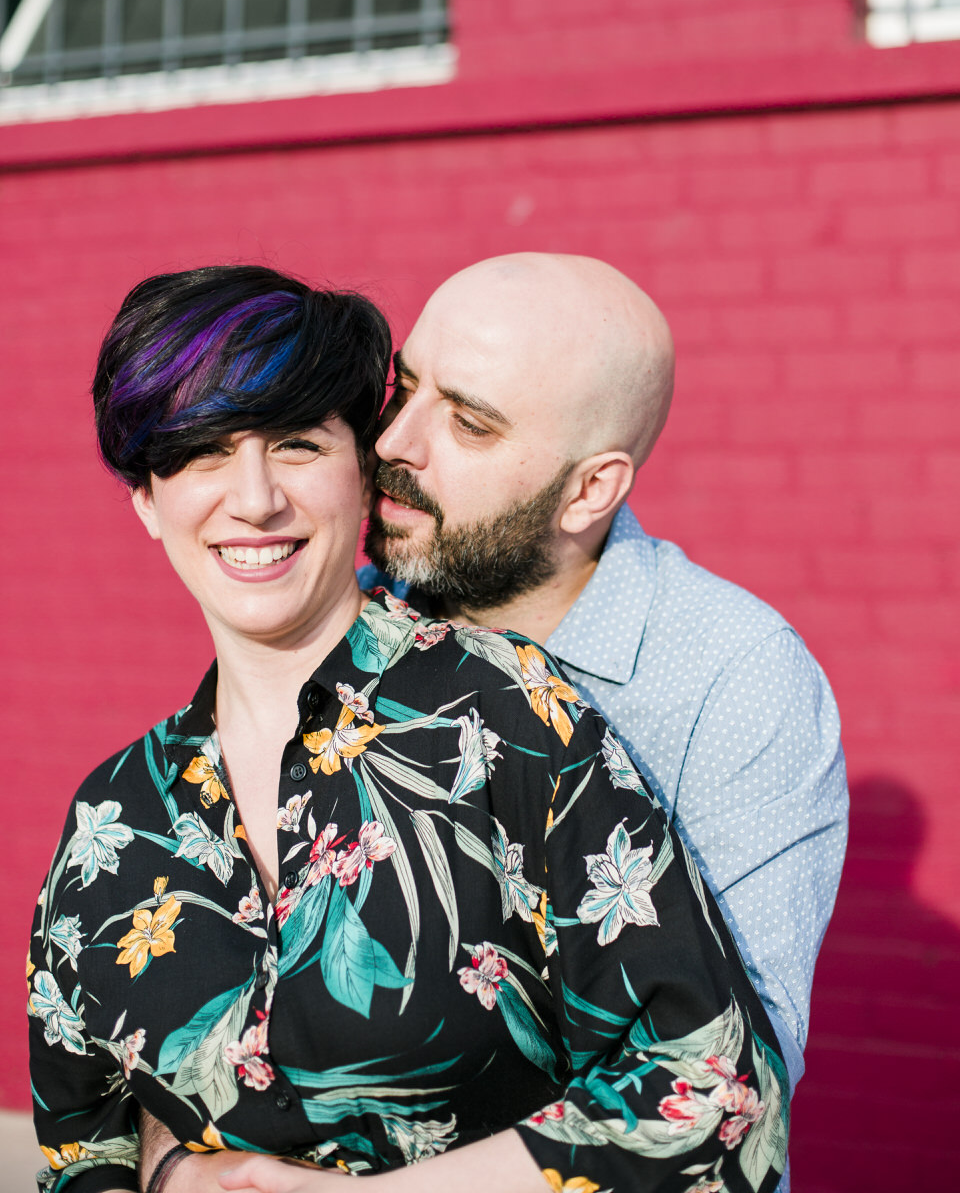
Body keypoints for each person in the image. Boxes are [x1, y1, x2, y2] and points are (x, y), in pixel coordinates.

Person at [29, 265, 789, 1193]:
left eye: (298, 445)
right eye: (200, 453)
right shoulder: (112, 819)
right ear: (148, 499)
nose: (255, 498)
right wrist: (169, 1175)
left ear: (361, 470)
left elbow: (716, 1093)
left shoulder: (507, 719)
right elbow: (80, 1144)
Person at [358, 253, 848, 1189]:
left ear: (590, 490)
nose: (394, 443)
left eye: (467, 421)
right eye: (404, 387)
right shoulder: (353, 626)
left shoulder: (731, 680)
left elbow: (731, 1071)